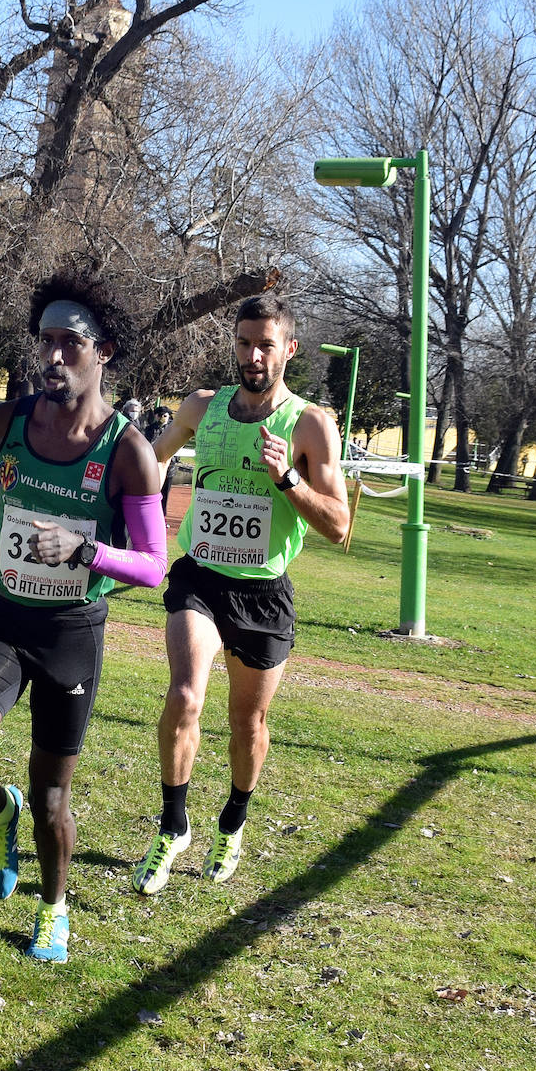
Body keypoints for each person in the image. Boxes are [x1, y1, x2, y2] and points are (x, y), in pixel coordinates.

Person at [0, 273, 167, 962]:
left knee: (53, 798)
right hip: (5, 615)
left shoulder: (128, 451)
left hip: (71, 632)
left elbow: (156, 564)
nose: (55, 357)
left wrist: (85, 549)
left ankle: (54, 910)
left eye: (72, 343)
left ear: (105, 353)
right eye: (47, 342)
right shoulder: (9, 420)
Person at [132, 291, 350, 895]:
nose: (253, 355)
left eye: (266, 345)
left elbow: (338, 525)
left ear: (290, 350)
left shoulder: (309, 424)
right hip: (200, 576)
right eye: (244, 342)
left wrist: (286, 479)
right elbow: (147, 465)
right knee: (184, 694)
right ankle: (172, 825)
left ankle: (232, 820)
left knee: (246, 721)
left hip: (263, 592)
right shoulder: (202, 407)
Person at [143, 406, 178, 516]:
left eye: (166, 416)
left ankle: (162, 516)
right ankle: (150, 515)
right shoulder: (149, 429)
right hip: (153, 466)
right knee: (152, 492)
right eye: (161, 415)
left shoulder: (174, 430)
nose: (164, 418)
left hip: (169, 467)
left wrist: (174, 459)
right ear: (157, 416)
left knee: (165, 494)